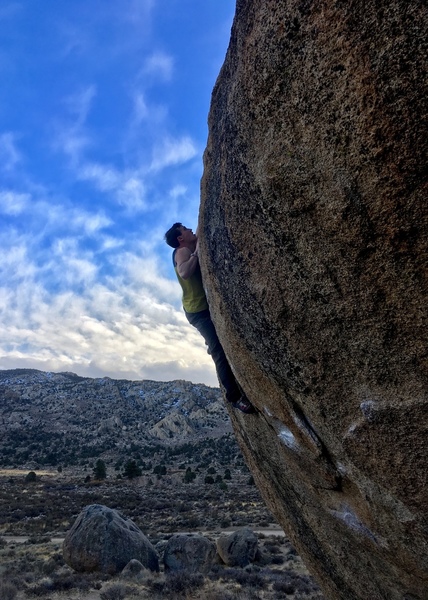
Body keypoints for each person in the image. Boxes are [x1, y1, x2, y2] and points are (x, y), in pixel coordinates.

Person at [164, 222, 255, 414]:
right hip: (198, 312)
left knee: (217, 342)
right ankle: (235, 397)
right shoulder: (182, 251)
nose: (190, 230)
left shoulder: (190, 245)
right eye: (185, 230)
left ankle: (210, 340)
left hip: (201, 308)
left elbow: (199, 227)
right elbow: (184, 272)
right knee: (218, 351)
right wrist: (196, 253)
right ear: (180, 239)